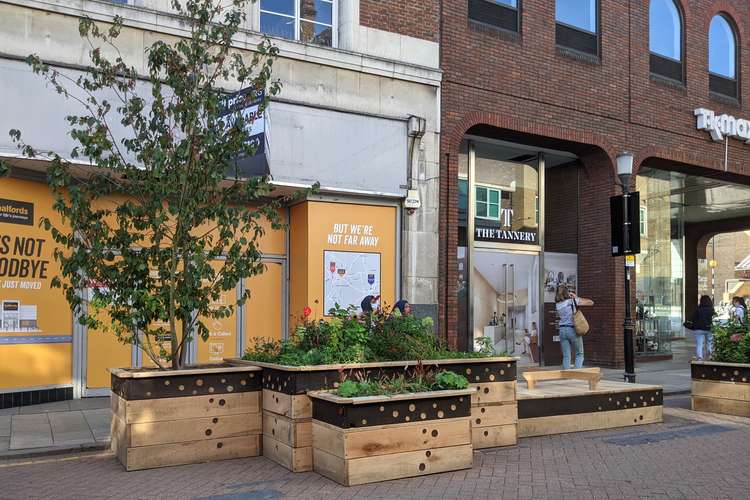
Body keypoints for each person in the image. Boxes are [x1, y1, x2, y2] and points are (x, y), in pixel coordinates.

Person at [555, 284, 594, 369]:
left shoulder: (558, 305)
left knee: (566, 355)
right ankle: (576, 375)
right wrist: (576, 297)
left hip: (562, 330)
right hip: (572, 329)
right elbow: (591, 302)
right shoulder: (572, 301)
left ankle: (566, 376)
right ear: (567, 293)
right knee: (579, 354)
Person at [690, 295, 715, 360]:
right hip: (709, 328)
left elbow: (693, 318)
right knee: (709, 343)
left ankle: (699, 357)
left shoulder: (698, 309)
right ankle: (709, 356)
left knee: (699, 344)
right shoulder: (711, 310)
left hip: (698, 329)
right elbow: (714, 319)